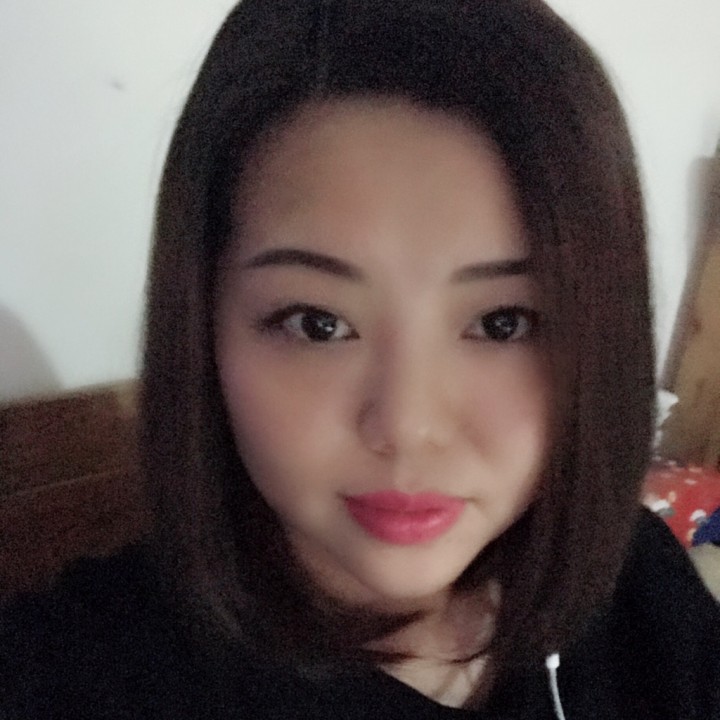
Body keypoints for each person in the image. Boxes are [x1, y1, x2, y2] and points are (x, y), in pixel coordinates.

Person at [2, 1, 719, 718]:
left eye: (504, 323)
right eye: (317, 325)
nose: (406, 427)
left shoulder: (635, 589)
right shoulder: (81, 671)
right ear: (203, 327)